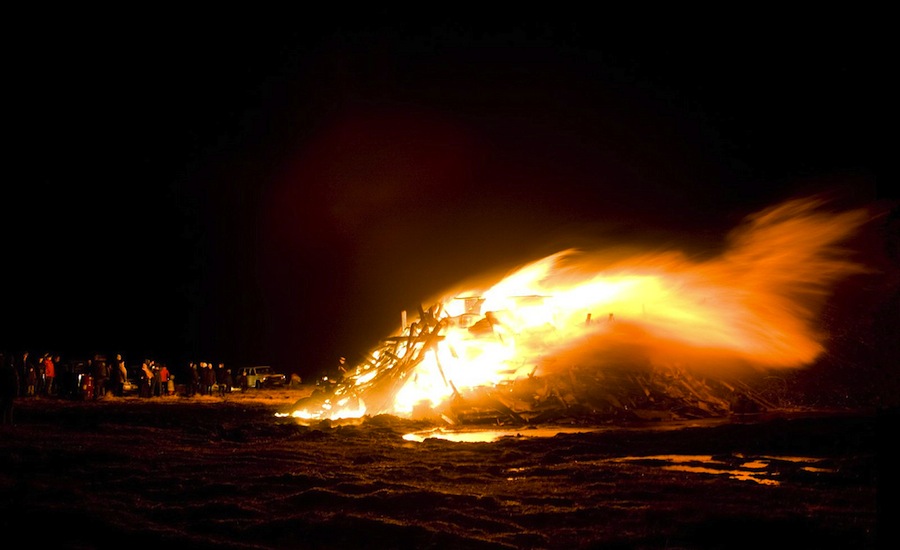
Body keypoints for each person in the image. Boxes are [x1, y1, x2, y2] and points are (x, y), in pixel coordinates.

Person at [1, 353, 19, 425]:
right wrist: (16, 390)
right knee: (9, 407)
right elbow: (15, 381)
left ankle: (3, 420)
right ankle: (8, 421)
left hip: (5, 390)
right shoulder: (12, 370)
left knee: (4, 406)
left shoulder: (3, 370)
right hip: (9, 390)